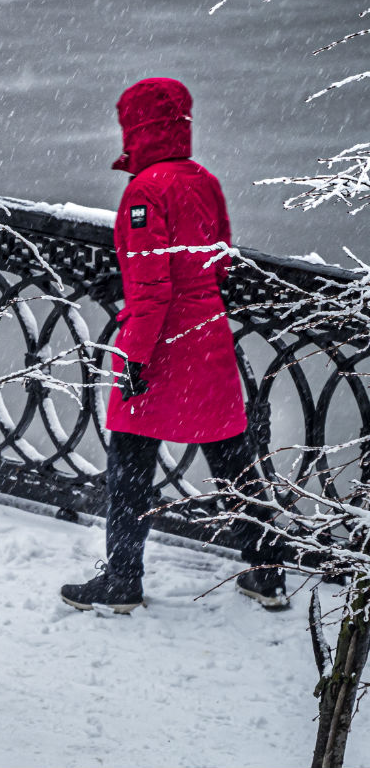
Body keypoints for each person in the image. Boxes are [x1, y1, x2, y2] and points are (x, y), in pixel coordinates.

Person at [60, 77, 290, 615]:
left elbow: (151, 288)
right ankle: (267, 572)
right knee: (233, 460)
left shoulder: (144, 191)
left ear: (136, 128)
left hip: (160, 347)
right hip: (207, 337)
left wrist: (133, 359)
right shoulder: (202, 180)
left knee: (130, 467)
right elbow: (221, 259)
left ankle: (122, 580)